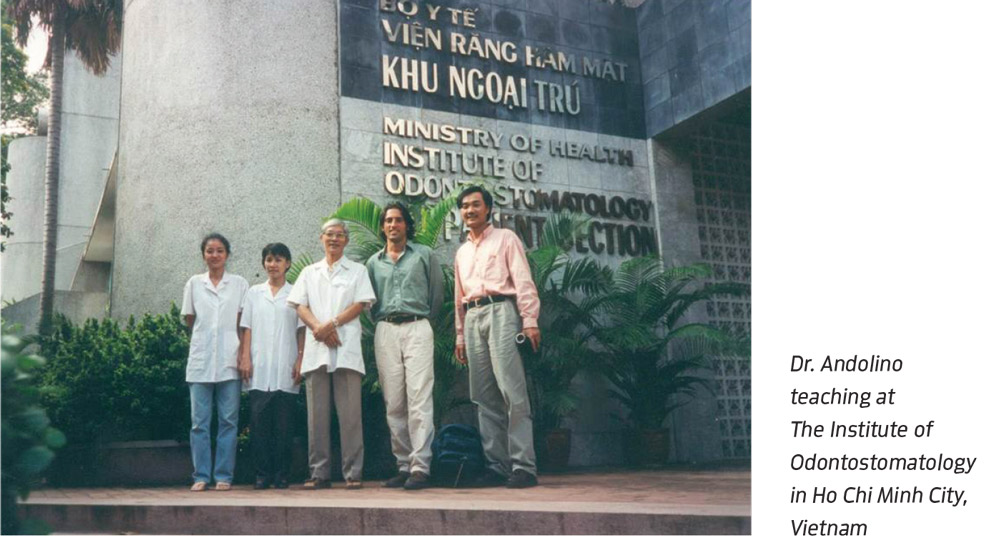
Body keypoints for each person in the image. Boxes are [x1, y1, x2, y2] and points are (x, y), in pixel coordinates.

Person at [452, 186, 542, 489]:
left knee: (512, 393)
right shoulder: (462, 252)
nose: (469, 210)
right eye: (464, 206)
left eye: (475, 205)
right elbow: (458, 297)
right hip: (473, 316)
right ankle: (497, 466)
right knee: (483, 396)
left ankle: (524, 466)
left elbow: (523, 280)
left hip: (502, 312)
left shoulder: (506, 239)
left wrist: (530, 320)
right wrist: (460, 335)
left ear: (488, 209)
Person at [288, 219, 376, 490]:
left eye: (339, 235)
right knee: (317, 416)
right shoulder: (309, 272)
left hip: (345, 349)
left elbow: (361, 303)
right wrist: (318, 328)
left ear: (346, 241)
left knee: (350, 416)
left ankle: (353, 473)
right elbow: (299, 305)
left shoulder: (357, 270)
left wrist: (332, 324)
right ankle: (319, 473)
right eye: (329, 234)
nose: (334, 239)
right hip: (317, 351)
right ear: (321, 238)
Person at [366, 203, 443, 491]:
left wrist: (423, 322)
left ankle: (421, 466)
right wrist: (382, 324)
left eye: (398, 220)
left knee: (419, 397)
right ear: (382, 227)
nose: (393, 225)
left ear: (406, 226)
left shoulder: (424, 255)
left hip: (418, 327)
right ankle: (402, 464)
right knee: (394, 401)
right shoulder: (373, 263)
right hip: (386, 329)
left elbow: (436, 295)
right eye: (388, 220)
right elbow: (369, 302)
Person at [181, 233, 249, 492]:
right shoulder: (194, 284)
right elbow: (190, 319)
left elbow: (243, 323)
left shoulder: (240, 284)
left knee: (228, 422)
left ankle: (223, 475)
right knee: (199, 422)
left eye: (220, 251)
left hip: (230, 361)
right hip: (200, 362)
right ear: (203, 255)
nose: (215, 255)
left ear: (227, 255)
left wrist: (243, 354)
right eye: (210, 251)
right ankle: (200, 475)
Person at [238, 243, 305, 490]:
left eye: (278, 260)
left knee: (284, 427)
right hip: (259, 368)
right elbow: (247, 328)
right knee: (259, 426)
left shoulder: (296, 293)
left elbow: (301, 330)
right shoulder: (254, 293)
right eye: (268, 259)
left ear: (287, 263)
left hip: (286, 368)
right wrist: (245, 357)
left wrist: (300, 359)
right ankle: (261, 474)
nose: (272, 264)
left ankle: (282, 474)